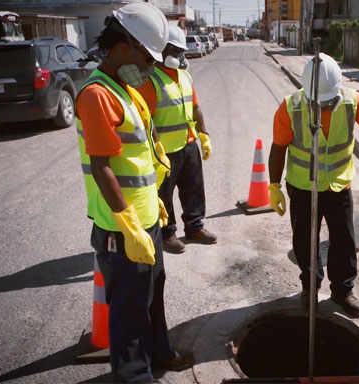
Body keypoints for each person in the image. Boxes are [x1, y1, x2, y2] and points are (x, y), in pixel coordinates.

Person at [75, 3, 192, 381]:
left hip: (146, 222)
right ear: (122, 45)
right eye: (146, 56)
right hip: (121, 229)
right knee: (128, 312)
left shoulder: (127, 90)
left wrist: (155, 202)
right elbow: (102, 166)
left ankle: (159, 355)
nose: (151, 66)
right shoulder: (97, 95)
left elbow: (142, 156)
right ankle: (134, 377)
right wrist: (128, 226)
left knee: (152, 295)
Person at [268, 53, 359, 318]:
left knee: (343, 239)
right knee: (305, 240)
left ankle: (343, 290)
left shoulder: (353, 102)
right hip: (302, 186)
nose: (321, 107)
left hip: (338, 185)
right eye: (316, 102)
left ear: (337, 88)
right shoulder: (291, 106)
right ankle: (310, 287)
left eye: (326, 102)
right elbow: (278, 149)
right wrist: (273, 186)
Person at [137, 26, 217, 254]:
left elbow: (196, 107)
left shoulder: (184, 75)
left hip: (188, 144)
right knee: (164, 195)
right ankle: (167, 233)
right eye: (175, 50)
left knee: (194, 189)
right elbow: (147, 119)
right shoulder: (150, 80)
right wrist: (156, 149)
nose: (180, 56)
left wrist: (204, 135)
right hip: (165, 151)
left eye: (181, 51)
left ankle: (195, 227)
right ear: (162, 50)